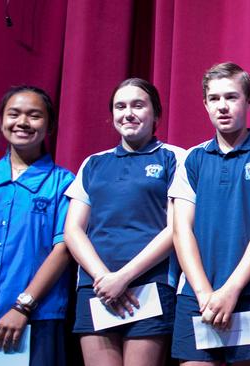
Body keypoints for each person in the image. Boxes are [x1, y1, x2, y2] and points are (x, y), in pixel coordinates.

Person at [170, 62, 250, 365]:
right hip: (196, 295)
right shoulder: (192, 158)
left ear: (249, 101)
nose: (222, 106)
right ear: (205, 104)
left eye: (232, 97)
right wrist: (203, 293)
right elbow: (181, 228)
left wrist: (231, 290)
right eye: (214, 98)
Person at [63, 78, 183, 366]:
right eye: (120, 106)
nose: (128, 113)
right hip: (96, 287)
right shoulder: (93, 163)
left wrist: (124, 277)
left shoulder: (175, 157)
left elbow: (176, 228)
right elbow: (73, 229)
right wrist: (104, 278)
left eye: (138, 105)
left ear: (156, 114)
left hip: (150, 285)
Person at [0, 86, 74, 365]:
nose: (22, 122)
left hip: (39, 319)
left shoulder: (64, 183)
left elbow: (63, 250)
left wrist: (23, 306)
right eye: (14, 114)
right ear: (1, 121)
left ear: (50, 125)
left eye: (34, 116)